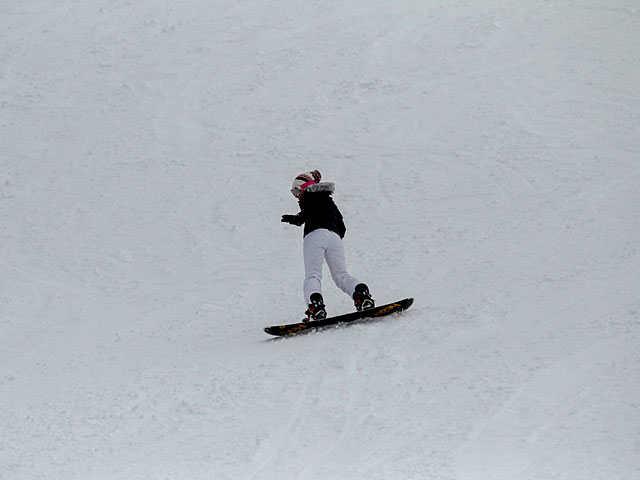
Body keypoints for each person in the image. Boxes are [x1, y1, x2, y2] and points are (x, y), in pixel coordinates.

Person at [281, 170, 374, 321]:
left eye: (296, 190)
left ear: (305, 187)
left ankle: (316, 308)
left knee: (313, 276)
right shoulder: (328, 200)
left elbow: (309, 211)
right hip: (334, 238)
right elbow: (342, 226)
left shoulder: (308, 197)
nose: (296, 195)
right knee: (341, 275)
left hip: (314, 236)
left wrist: (298, 219)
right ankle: (362, 296)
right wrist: (331, 234)